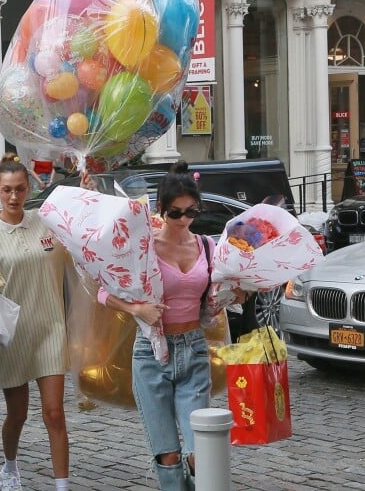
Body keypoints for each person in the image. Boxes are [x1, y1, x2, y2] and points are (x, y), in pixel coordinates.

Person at [97, 160, 245, 491]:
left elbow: (218, 297)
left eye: (191, 212)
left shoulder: (208, 246)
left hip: (193, 351)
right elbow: (104, 291)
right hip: (151, 355)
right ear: (161, 209)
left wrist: (236, 293)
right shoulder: (143, 248)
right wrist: (139, 308)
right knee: (168, 455)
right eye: (175, 213)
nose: (183, 220)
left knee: (198, 452)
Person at [0, 153, 94, 491]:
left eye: (20, 189)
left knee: (54, 413)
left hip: (50, 328)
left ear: (29, 189)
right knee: (18, 414)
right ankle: (10, 466)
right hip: (11, 333)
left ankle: (62, 486)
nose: (14, 197)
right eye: (7, 190)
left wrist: (86, 193)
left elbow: (80, 226)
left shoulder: (46, 222)